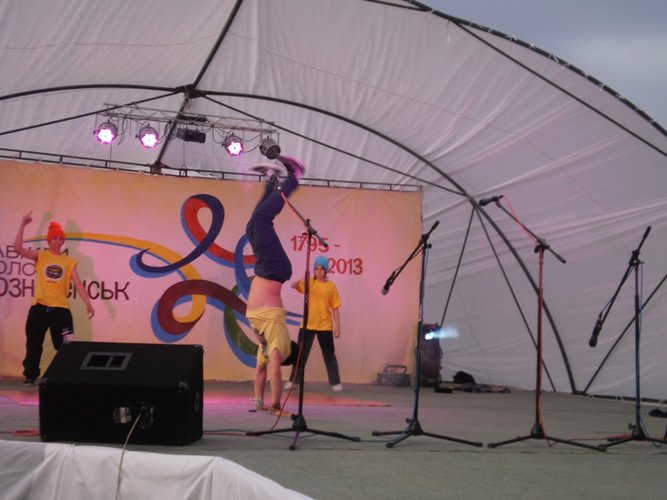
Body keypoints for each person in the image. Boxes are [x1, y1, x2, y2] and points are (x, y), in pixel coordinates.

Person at [245, 156, 305, 416]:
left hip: (265, 270)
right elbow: (274, 372)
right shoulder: (278, 341)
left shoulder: (266, 346)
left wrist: (259, 402)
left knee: (252, 225)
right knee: (261, 220)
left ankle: (271, 181)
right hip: (274, 271)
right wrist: (277, 406)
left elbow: (261, 371)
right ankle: (294, 177)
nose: (274, 358)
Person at [14, 211, 95, 384]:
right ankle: (31, 374)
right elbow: (18, 249)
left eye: (60, 239)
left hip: (61, 310)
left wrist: (88, 302)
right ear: (49, 240)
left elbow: (78, 283)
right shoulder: (41, 255)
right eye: (54, 238)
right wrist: (23, 224)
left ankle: (67, 376)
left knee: (66, 345)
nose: (58, 242)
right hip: (39, 309)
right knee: (34, 344)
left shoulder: (69, 261)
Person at [286, 255, 344, 392]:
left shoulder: (331, 286)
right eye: (316, 268)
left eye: (321, 269)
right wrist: (303, 279)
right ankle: (294, 382)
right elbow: (293, 285)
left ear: (326, 270)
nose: (318, 271)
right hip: (307, 325)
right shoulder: (309, 283)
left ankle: (335, 383)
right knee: (300, 355)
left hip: (325, 326)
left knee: (329, 355)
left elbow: (335, 308)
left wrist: (338, 327)